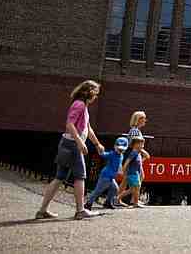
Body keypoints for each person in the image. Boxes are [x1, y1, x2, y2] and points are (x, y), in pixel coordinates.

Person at [35, 79, 105, 221]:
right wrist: (80, 142)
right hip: (72, 145)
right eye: (95, 93)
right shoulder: (79, 105)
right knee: (80, 176)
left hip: (69, 143)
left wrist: (97, 144)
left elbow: (87, 128)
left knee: (59, 177)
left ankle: (42, 211)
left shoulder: (83, 106)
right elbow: (70, 124)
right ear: (89, 92)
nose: (96, 97)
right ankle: (80, 210)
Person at [85, 136, 128, 210]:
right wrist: (99, 149)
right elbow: (103, 155)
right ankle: (88, 203)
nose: (120, 151)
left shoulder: (121, 156)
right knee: (98, 190)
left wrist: (121, 171)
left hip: (111, 177)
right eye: (119, 149)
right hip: (105, 176)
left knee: (114, 189)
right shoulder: (112, 154)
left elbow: (119, 165)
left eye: (122, 150)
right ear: (115, 146)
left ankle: (108, 202)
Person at [119, 136, 150, 208]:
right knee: (134, 188)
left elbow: (147, 156)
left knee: (135, 188)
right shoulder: (133, 153)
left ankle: (134, 202)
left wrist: (141, 150)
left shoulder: (138, 153)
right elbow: (127, 161)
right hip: (132, 173)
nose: (142, 146)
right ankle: (118, 198)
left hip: (136, 173)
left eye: (143, 144)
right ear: (135, 144)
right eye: (141, 144)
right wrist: (123, 170)